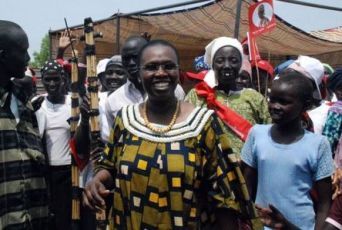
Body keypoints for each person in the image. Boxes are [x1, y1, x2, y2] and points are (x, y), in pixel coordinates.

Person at [83, 40, 262, 229]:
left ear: (178, 72)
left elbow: (224, 196)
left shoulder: (203, 124)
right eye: (151, 67)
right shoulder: (126, 119)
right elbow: (109, 166)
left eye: (168, 66)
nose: (160, 73)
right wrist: (98, 180)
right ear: (140, 72)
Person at [241, 71, 334, 230]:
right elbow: (246, 186)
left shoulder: (318, 144)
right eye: (272, 100)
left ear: (305, 105)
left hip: (302, 226)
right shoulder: (257, 134)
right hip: (262, 225)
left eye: (284, 102)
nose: (275, 106)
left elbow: (325, 203)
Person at [0, 20, 49, 229]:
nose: (28, 59)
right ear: (3, 55)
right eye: (23, 51)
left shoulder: (23, 101)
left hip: (34, 219)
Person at [186, 37, 271, 156]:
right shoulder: (197, 95)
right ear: (212, 64)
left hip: (246, 171)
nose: (227, 65)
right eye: (220, 60)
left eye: (233, 60)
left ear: (240, 63)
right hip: (208, 170)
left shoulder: (255, 98)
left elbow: (268, 136)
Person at [105, 36, 185, 130]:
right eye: (126, 58)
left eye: (135, 57)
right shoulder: (112, 101)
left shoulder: (176, 90)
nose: (131, 63)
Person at [34, 60, 72, 230]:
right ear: (42, 80)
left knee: (67, 216)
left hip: (69, 170)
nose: (52, 84)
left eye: (56, 79)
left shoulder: (72, 103)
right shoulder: (38, 104)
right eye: (47, 80)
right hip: (46, 171)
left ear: (63, 79)